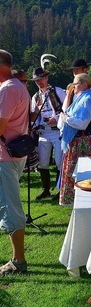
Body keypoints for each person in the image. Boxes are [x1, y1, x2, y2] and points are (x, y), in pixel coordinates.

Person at [0, 50, 31, 275]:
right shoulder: (17, 86)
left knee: (11, 207)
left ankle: (18, 260)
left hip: (5, 156)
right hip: (13, 153)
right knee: (9, 205)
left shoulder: (8, 89)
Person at [59, 73, 91, 206]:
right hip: (81, 140)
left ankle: (89, 202)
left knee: (87, 172)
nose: (74, 86)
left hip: (87, 141)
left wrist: (65, 118)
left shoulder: (88, 99)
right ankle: (81, 202)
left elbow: (82, 123)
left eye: (76, 83)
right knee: (78, 172)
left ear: (85, 85)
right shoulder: (82, 97)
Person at [30, 67, 66, 201]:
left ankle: (59, 189)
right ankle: (45, 189)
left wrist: (55, 119)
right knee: (42, 162)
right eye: (36, 81)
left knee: (59, 161)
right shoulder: (35, 97)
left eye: (41, 79)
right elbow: (34, 116)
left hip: (57, 131)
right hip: (44, 132)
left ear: (46, 78)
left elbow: (67, 109)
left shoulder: (57, 91)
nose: (39, 82)